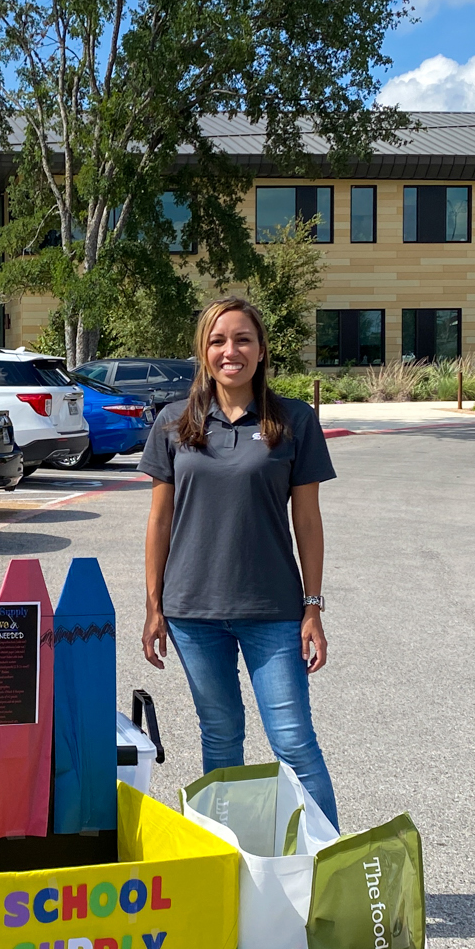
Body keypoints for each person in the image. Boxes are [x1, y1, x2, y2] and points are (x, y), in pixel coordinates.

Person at [139, 297, 340, 825]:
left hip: (273, 611)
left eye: (243, 339)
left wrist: (312, 607)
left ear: (262, 349)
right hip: (192, 613)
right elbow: (160, 522)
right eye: (218, 340)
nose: (231, 351)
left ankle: (326, 869)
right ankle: (232, 865)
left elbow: (309, 522)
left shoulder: (294, 420)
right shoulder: (174, 422)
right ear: (203, 352)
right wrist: (154, 606)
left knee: (294, 741)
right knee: (221, 736)